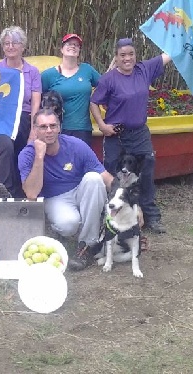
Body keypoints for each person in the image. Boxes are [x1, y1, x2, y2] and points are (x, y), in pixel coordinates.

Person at [90, 37, 172, 234]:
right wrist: (102, 125)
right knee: (113, 175)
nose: (127, 58)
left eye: (131, 54)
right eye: (122, 55)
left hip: (140, 134)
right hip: (116, 135)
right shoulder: (108, 79)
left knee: (146, 174)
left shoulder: (144, 70)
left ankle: (152, 217)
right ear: (116, 58)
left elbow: (167, 56)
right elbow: (94, 102)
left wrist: (186, 36)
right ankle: (111, 219)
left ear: (136, 55)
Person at [18, 108, 113, 271]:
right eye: (43, 127)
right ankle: (65, 227)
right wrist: (39, 157)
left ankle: (87, 246)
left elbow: (105, 176)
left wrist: (131, 202)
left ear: (59, 127)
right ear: (34, 130)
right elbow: (32, 194)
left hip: (80, 190)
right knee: (69, 225)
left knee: (94, 179)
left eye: (53, 125)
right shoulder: (27, 155)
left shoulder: (76, 145)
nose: (49, 130)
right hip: (55, 197)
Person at [0, 26, 41, 198]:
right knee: (5, 145)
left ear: (23, 46)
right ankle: (5, 192)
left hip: (24, 120)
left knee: (25, 149)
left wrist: (34, 130)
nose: (10, 47)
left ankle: (24, 193)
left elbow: (35, 103)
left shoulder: (32, 72)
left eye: (15, 43)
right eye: (7, 43)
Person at [41, 33, 101, 147]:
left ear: (79, 51)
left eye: (76, 45)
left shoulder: (87, 70)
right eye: (69, 44)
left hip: (82, 129)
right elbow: (36, 99)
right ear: (61, 49)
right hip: (56, 130)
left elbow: (105, 86)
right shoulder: (48, 75)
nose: (73, 46)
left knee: (80, 163)